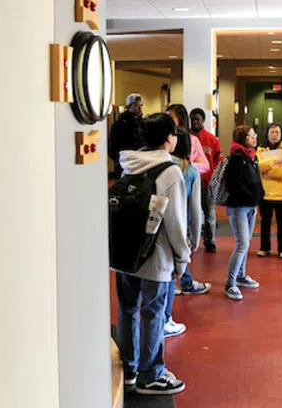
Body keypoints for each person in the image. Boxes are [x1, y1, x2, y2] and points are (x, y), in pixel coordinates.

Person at [116, 113, 189, 396]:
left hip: (124, 252)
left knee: (127, 310)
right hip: (155, 257)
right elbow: (176, 223)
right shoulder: (169, 172)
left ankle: (129, 371)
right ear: (168, 138)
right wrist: (182, 259)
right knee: (153, 313)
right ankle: (152, 374)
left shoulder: (128, 164)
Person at [162, 130, 211, 339]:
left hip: (156, 226)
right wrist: (196, 237)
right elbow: (195, 208)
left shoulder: (161, 165)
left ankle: (158, 318)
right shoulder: (189, 171)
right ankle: (165, 320)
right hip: (179, 227)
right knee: (173, 273)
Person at [223, 125, 264, 301]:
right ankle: (230, 283)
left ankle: (241, 276)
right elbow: (234, 185)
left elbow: (256, 179)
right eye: (250, 136)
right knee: (242, 244)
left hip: (250, 206)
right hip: (239, 206)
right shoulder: (237, 157)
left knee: (246, 244)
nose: (254, 138)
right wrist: (250, 197)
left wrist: (259, 196)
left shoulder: (252, 156)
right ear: (242, 138)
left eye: (254, 135)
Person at [256, 123, 282, 259]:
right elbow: (259, 167)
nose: (274, 135)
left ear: (281, 134)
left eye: (277, 132)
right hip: (265, 193)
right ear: (267, 133)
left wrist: (269, 172)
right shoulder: (260, 149)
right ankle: (264, 247)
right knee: (265, 222)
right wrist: (275, 161)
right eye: (272, 132)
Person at [190, 108, 223, 253]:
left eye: (198, 119)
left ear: (203, 121)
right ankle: (191, 240)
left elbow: (218, 159)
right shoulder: (185, 138)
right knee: (191, 212)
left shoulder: (212, 139)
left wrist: (212, 174)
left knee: (209, 212)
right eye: (193, 119)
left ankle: (210, 240)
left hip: (207, 183)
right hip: (191, 183)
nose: (195, 122)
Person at [166, 104, 210, 176]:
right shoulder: (164, 137)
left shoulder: (193, 139)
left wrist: (185, 165)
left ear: (180, 118)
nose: (167, 121)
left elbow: (205, 166)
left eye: (170, 117)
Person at [109, 93, 145, 177]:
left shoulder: (145, 124)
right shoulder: (118, 125)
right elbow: (112, 148)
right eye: (136, 105)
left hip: (141, 163)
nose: (140, 108)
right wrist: (119, 160)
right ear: (128, 107)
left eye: (141, 105)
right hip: (124, 164)